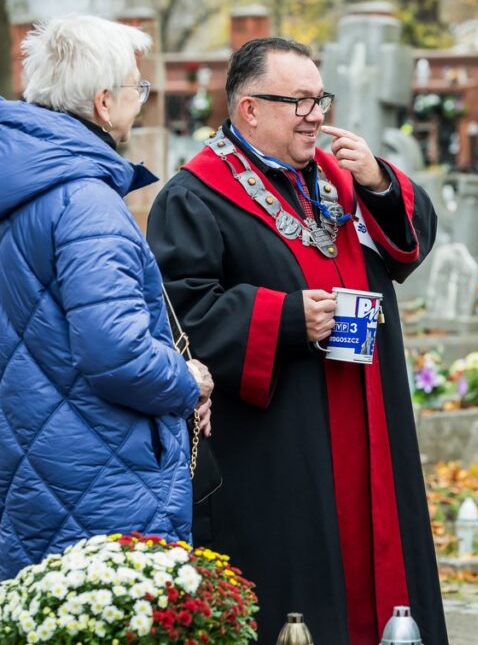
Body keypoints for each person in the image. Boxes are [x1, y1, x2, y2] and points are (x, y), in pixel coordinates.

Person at [146, 37, 447, 645]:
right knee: (304, 594)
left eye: (319, 99)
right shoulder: (195, 195)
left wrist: (379, 182)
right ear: (250, 109)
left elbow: (409, 246)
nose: (316, 116)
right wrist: (285, 318)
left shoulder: (340, 179)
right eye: (299, 102)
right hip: (282, 445)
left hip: (371, 418)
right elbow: (179, 314)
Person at [0, 16, 213, 581]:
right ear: (103, 102)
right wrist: (187, 379)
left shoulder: (27, 188)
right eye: (136, 87)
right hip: (102, 467)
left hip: (41, 452)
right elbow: (117, 354)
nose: (141, 99)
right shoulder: (86, 204)